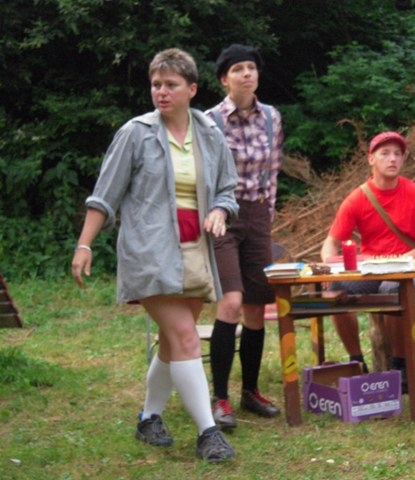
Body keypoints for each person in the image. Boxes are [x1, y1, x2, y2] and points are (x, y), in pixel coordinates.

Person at [71, 48, 238, 462]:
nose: (161, 92)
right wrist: (84, 244)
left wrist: (219, 210)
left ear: (192, 89)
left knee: (171, 340)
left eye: (171, 85)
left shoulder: (210, 134)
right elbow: (105, 195)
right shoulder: (135, 133)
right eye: (156, 84)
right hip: (149, 251)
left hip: (196, 250)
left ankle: (149, 418)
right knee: (185, 336)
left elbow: (227, 189)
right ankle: (208, 432)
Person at [320, 131, 415, 381]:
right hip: (371, 269)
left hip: (407, 267)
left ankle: (400, 365)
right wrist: (329, 267)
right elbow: (331, 241)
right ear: (371, 159)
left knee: (392, 288)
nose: (392, 159)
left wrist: (406, 258)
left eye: (398, 154)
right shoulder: (358, 198)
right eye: (385, 153)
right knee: (335, 289)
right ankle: (356, 361)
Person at [204, 44, 284, 430]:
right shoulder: (209, 121)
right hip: (223, 215)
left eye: (251, 67)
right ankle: (220, 398)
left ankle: (250, 392)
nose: (247, 74)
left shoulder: (271, 117)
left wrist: (267, 213)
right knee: (231, 302)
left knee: (256, 305)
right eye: (238, 69)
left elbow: (274, 169)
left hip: (257, 215)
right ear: (225, 78)